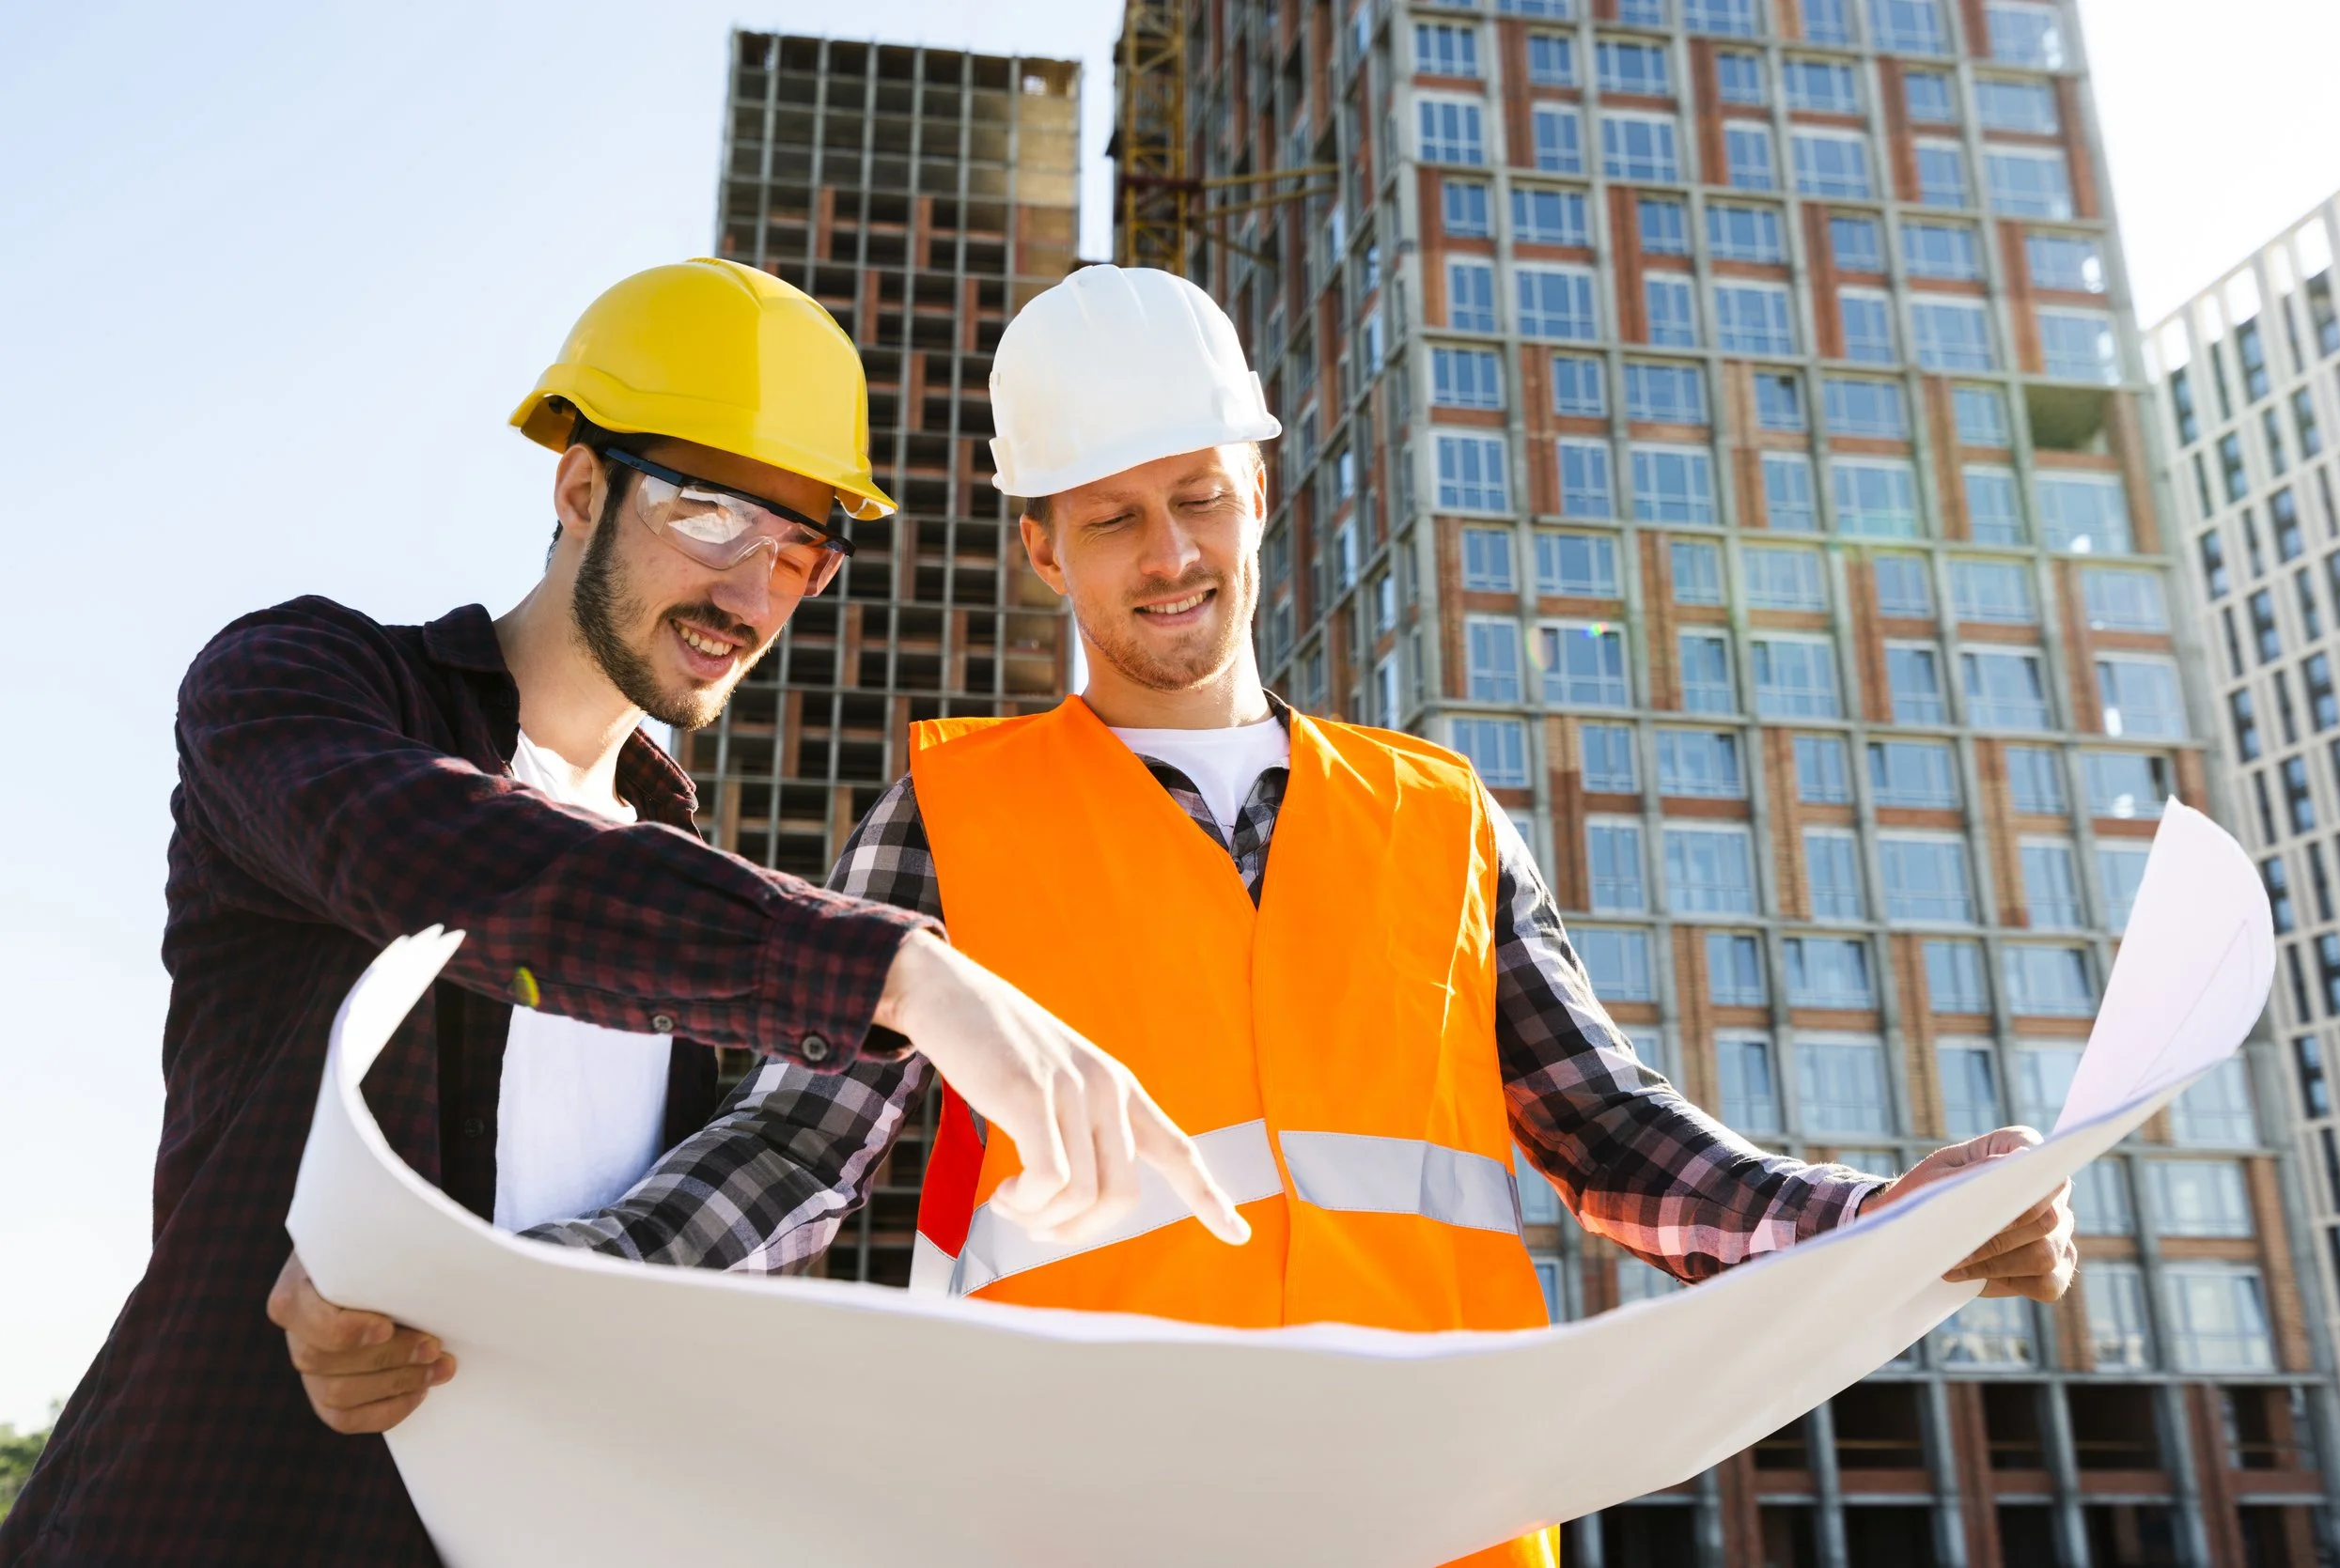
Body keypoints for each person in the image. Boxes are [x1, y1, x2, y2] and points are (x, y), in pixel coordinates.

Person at [521, 266, 2082, 1566]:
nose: (1173, 554)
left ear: (1258, 490)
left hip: (1439, 1531)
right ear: (1042, 547)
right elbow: (801, 1148)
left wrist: (1885, 1231)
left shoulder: (1439, 815)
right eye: (1113, 517)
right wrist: (537, 1297)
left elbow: (1614, 1136)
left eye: (1198, 496)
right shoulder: (954, 815)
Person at [0, 258, 1241, 1565]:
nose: (749, 599)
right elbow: (447, 869)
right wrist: (906, 976)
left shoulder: (678, 858)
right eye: (709, 518)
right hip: (214, 1521)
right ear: (580, 485)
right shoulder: (311, 687)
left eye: (798, 549)